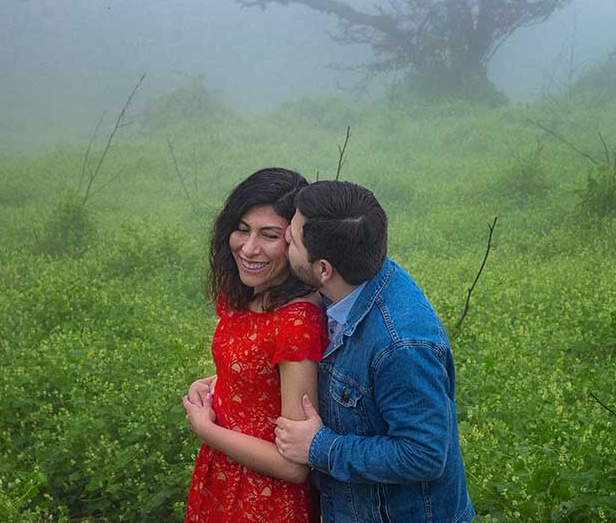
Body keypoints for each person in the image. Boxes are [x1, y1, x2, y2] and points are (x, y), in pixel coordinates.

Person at [274, 180, 475, 522]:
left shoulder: (400, 346)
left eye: (290, 239)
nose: (283, 241)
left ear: (323, 269)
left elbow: (423, 454)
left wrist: (320, 446)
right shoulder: (353, 273)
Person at [183, 168, 328, 523]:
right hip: (222, 476)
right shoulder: (249, 295)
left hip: (264, 499)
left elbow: (294, 465)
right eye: (242, 230)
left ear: (296, 241)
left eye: (270, 235)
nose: (249, 248)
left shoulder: (297, 323)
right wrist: (218, 384)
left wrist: (206, 429)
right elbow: (259, 377)